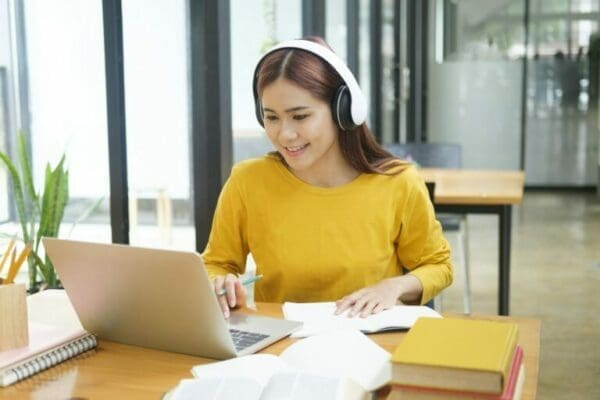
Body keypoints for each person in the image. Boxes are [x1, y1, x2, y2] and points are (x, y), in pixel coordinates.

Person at [202, 37, 453, 318]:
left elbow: (438, 266)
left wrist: (392, 287)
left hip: (369, 344)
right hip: (279, 347)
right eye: (271, 118)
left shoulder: (398, 182)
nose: (284, 134)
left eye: (300, 116)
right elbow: (216, 264)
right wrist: (219, 282)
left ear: (342, 110)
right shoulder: (248, 181)